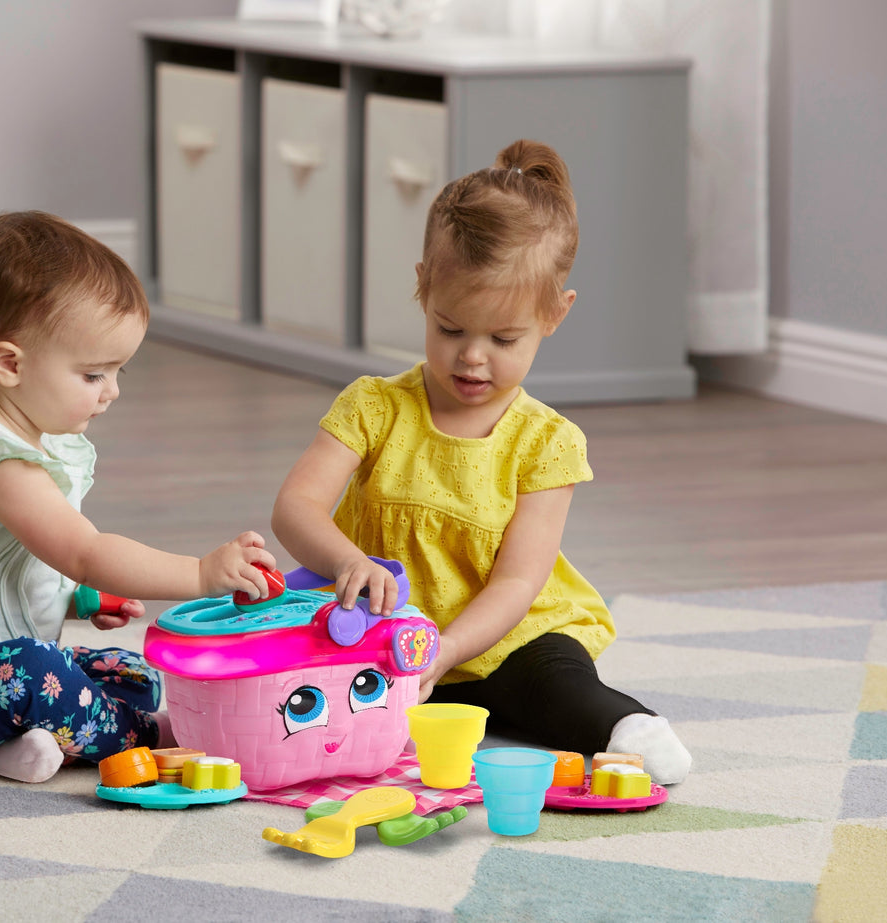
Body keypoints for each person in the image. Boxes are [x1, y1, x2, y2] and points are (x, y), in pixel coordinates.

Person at [271, 140, 691, 784]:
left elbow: (518, 584)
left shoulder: (547, 442)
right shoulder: (374, 406)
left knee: (556, 687)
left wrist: (450, 649)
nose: (472, 357)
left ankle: (629, 725)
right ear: (423, 287)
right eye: (451, 329)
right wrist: (347, 561)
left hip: (508, 637)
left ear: (555, 314)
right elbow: (295, 507)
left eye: (503, 338)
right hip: (387, 634)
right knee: (312, 694)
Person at [0, 211, 275, 783]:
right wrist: (201, 573)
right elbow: (83, 551)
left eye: (118, 372)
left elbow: (2, 573)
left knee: (133, 672)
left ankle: (14, 746)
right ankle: (152, 737)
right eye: (93, 375)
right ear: (10, 364)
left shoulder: (28, 443)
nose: (112, 392)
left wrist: (77, 599)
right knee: (34, 672)